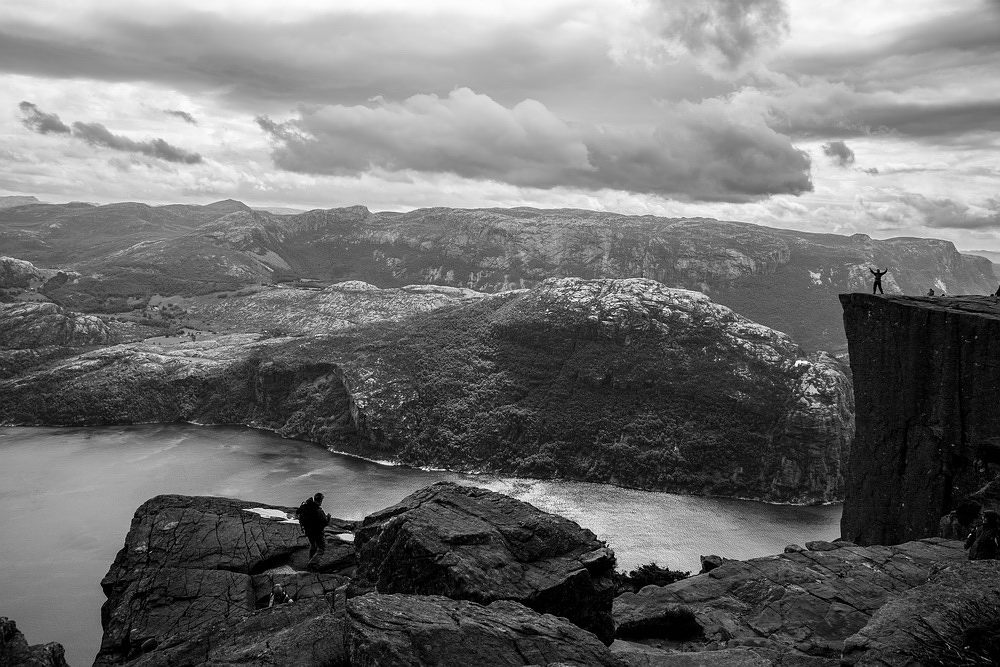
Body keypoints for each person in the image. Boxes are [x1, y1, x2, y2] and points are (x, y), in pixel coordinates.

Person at [297, 492, 330, 558]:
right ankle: (313, 564)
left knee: (313, 545)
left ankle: (311, 559)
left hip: (308, 530)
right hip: (317, 532)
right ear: (320, 501)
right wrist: (328, 518)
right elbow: (325, 523)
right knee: (321, 548)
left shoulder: (307, 507)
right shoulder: (318, 510)